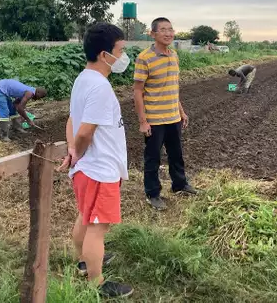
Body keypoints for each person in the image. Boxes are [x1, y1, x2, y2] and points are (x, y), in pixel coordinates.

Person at [57, 22, 133, 298]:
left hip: (86, 169)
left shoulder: (83, 79)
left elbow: (71, 121)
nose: (124, 56)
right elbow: (85, 130)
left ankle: (83, 262)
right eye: (121, 50)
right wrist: (79, 149)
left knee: (86, 218)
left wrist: (72, 151)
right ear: (105, 55)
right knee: (98, 228)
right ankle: (96, 283)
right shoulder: (100, 86)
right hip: (99, 169)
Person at [133, 17, 199, 211]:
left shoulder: (174, 55)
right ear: (153, 34)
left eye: (170, 29)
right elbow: (137, 91)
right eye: (163, 29)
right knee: (152, 157)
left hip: (173, 117)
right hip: (154, 119)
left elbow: (173, 87)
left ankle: (180, 184)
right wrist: (143, 121)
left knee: (176, 154)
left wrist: (181, 111)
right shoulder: (144, 58)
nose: (168, 33)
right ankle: (152, 193)